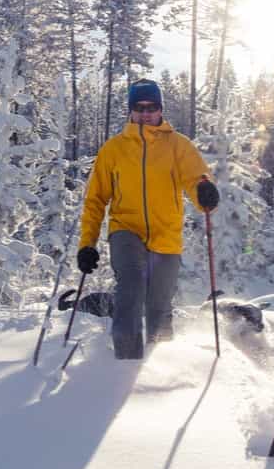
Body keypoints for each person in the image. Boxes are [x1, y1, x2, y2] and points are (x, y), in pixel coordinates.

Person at [77, 79, 220, 359]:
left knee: (159, 308)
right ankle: (125, 364)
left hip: (166, 236)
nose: (145, 112)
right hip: (125, 229)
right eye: (139, 107)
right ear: (130, 110)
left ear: (160, 109)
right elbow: (95, 200)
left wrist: (203, 189)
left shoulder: (178, 145)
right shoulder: (113, 149)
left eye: (151, 107)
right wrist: (87, 244)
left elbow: (196, 176)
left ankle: (159, 374)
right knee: (130, 287)